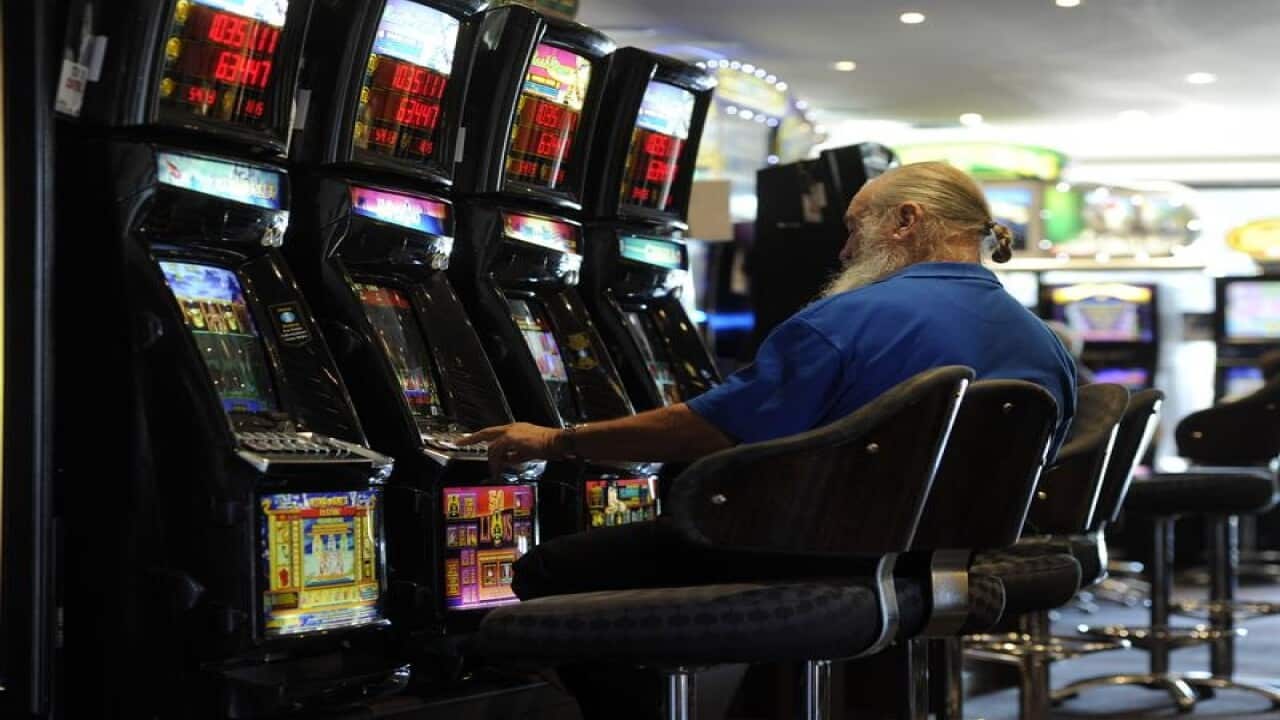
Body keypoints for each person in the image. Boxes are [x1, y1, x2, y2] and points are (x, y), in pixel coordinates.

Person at [458, 161, 1077, 717]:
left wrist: (556, 440)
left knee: (553, 567)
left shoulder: (854, 317)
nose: (844, 248)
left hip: (813, 554)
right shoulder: (1041, 341)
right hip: (948, 565)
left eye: (855, 226)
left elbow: (709, 427)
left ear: (906, 221)